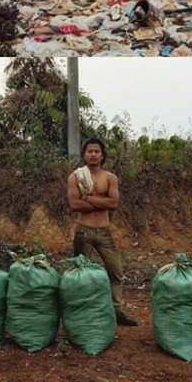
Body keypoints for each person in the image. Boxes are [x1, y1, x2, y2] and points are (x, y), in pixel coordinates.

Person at [67, 137, 138, 326]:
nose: (93, 154)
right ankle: (82, 312)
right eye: (89, 151)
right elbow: (74, 204)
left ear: (102, 154)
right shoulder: (76, 177)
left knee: (116, 272)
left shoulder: (110, 177)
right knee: (80, 274)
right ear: (84, 154)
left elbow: (113, 203)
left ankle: (117, 311)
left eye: (96, 151)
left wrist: (88, 198)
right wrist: (101, 202)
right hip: (84, 231)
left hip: (104, 231)